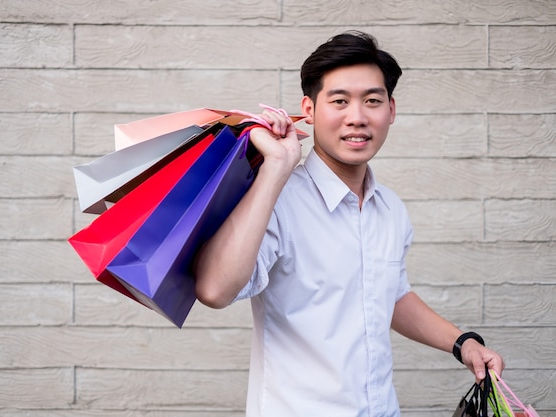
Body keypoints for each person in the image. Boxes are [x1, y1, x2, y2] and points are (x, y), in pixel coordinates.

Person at [193, 31, 504, 416]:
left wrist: (463, 343)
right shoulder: (275, 200)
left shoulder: (390, 208)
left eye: (372, 101)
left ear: (391, 109)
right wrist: (276, 167)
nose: (357, 117)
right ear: (309, 109)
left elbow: (389, 294)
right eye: (339, 101)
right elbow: (214, 290)